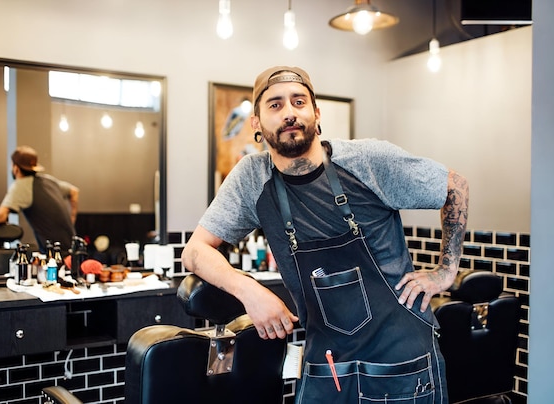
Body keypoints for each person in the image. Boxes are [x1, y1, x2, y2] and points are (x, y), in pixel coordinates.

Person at [181, 66, 469, 403]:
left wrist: (446, 271)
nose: (289, 113)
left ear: (316, 114)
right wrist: (251, 292)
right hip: (327, 364)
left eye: (299, 102)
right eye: (275, 105)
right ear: (256, 122)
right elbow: (195, 252)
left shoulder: (367, 160)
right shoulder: (252, 179)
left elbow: (454, 187)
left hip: (400, 363)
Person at [0, 145, 79, 253]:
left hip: (56, 255)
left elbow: (0, 217)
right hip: (74, 249)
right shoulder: (48, 181)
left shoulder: (21, 185)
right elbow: (74, 192)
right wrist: (72, 219)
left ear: (16, 168)